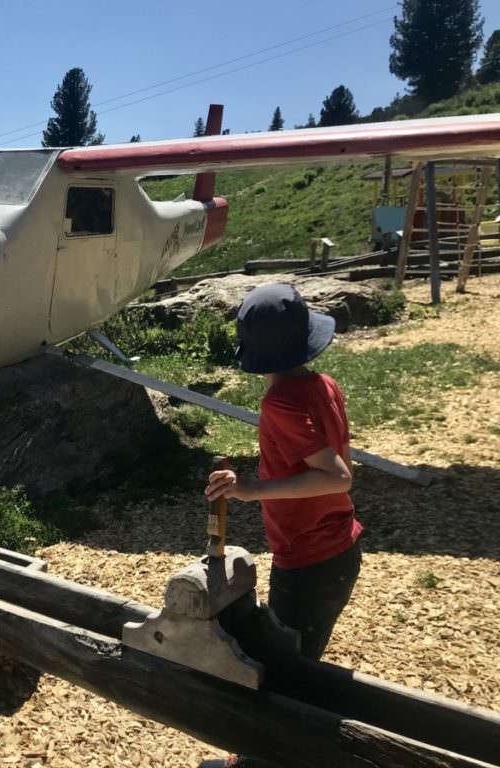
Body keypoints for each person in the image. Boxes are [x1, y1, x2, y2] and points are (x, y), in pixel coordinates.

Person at [201, 284, 362, 768]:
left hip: (310, 562)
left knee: (284, 677)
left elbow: (336, 478)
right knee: (296, 659)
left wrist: (253, 491)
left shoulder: (281, 403)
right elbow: (319, 460)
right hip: (337, 552)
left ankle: (263, 760)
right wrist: (247, 478)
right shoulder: (321, 385)